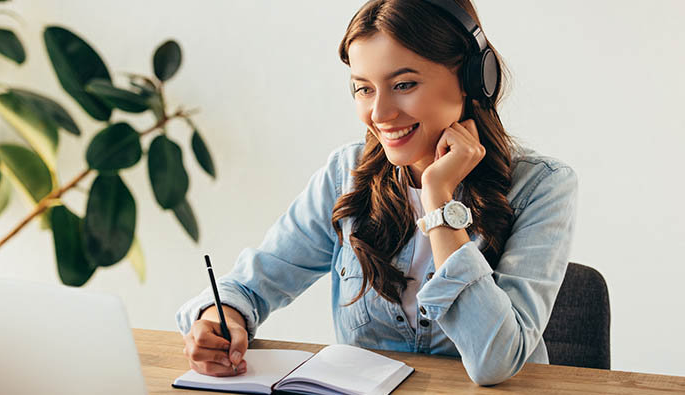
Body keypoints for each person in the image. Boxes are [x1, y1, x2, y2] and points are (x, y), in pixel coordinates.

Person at [176, 0, 577, 386]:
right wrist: (218, 316)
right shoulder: (345, 175)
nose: (380, 114)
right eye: (363, 89)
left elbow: (496, 361)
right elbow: (249, 286)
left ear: (474, 80)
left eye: (403, 84)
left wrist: (438, 199)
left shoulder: (542, 187)